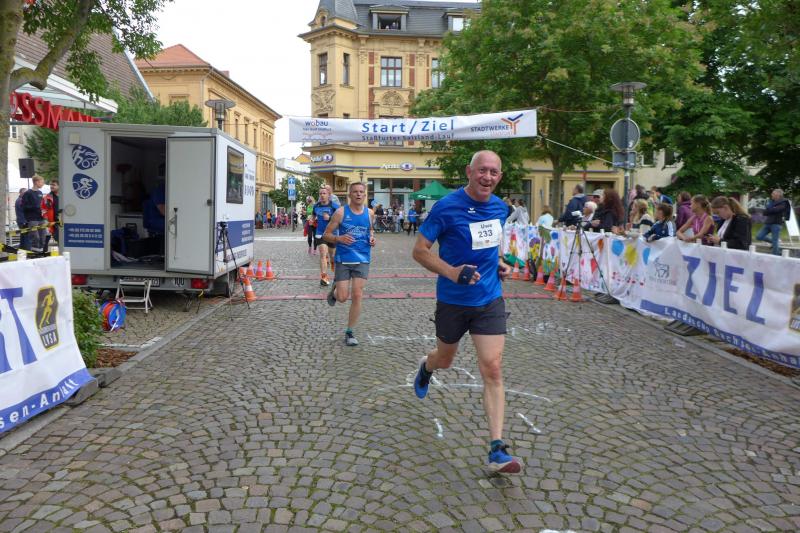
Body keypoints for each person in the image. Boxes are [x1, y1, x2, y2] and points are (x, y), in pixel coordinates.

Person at [411, 150, 521, 474]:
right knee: (445, 359)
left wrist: (499, 263)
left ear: (500, 177)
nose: (487, 177)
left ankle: (497, 449)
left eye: (493, 172)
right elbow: (419, 251)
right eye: (482, 170)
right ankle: (427, 366)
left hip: (489, 299)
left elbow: (490, 245)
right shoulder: (446, 207)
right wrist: (452, 272)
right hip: (453, 300)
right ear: (469, 172)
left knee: (493, 367)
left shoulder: (500, 208)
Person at [323, 182, 376, 346]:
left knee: (357, 295)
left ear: (365, 195)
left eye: (361, 192)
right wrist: (338, 238)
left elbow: (370, 230)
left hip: (363, 258)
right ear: (350, 195)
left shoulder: (370, 213)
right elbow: (326, 235)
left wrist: (372, 238)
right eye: (355, 192)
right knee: (342, 298)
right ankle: (335, 292)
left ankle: (350, 332)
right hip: (343, 259)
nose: (358, 194)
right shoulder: (340, 213)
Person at [313, 187, 340, 286]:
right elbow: (313, 215)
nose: (322, 195)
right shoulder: (316, 206)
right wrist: (311, 219)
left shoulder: (335, 206)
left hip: (332, 233)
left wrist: (330, 218)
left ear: (329, 195)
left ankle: (333, 263)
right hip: (320, 233)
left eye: (324, 193)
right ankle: (323, 277)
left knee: (332, 255)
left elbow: (340, 219)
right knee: (323, 254)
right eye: (320, 193)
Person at [757, 189, 791, 255]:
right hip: (768, 222)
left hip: (776, 224)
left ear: (778, 195)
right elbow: (765, 212)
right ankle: (774, 243)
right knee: (759, 236)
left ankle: (776, 254)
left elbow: (776, 210)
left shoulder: (784, 202)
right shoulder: (771, 202)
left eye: (773, 193)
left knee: (775, 240)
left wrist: (770, 209)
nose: (771, 195)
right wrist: (771, 209)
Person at [20, 175, 47, 252]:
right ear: (36, 182)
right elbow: (23, 206)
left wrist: (44, 208)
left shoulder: (40, 192)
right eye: (42, 182)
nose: (43, 184)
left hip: (41, 218)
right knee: (35, 238)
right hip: (32, 219)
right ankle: (35, 253)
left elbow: (41, 204)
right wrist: (36, 206)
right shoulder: (28, 193)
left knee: (43, 237)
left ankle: (41, 252)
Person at [41, 179, 59, 247]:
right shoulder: (46, 198)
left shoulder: (65, 196)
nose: (51, 186)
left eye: (54, 185)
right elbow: (43, 210)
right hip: (54, 224)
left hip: (65, 223)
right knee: (60, 241)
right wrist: (47, 220)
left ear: (59, 186)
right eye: (51, 185)